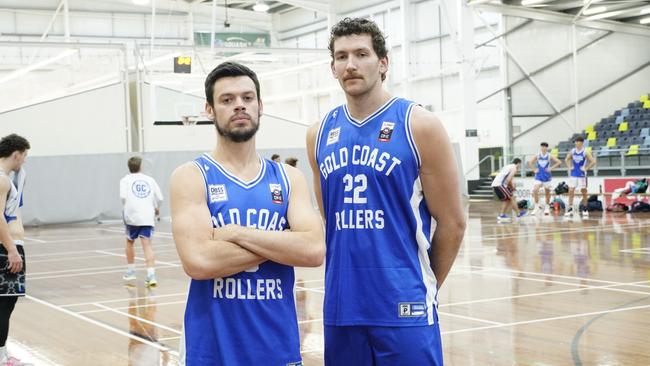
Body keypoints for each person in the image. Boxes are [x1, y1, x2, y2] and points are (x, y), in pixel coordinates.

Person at [306, 18, 465, 365]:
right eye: (341, 56)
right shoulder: (318, 134)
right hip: (341, 305)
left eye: (361, 54)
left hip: (403, 305)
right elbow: (330, 220)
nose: (350, 64)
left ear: (383, 63)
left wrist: (422, 285)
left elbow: (453, 222)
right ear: (332, 68)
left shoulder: (419, 124)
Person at [170, 61, 325, 365]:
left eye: (247, 98)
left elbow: (314, 251)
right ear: (209, 110)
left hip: (278, 348)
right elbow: (200, 261)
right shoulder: (191, 176)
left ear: (260, 105)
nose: (239, 105)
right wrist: (283, 244)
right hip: (212, 352)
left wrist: (237, 234)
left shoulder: (288, 178)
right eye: (227, 100)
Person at [0, 134, 30, 366]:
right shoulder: (2, 180)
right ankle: (1, 356)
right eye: (24, 156)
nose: (24, 162)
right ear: (16, 154)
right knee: (5, 304)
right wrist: (11, 249)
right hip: (6, 247)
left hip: (7, 245)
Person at [120, 156, 163, 287]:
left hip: (132, 217)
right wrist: (156, 208)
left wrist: (128, 208)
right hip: (147, 217)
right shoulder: (150, 180)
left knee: (129, 241)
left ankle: (131, 270)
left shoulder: (125, 180)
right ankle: (151, 275)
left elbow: (123, 197)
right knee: (147, 245)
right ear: (141, 167)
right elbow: (160, 197)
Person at [564, 136, 596, 218]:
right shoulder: (573, 151)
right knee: (571, 190)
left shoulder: (585, 152)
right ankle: (570, 208)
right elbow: (566, 159)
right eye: (576, 141)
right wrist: (569, 167)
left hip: (582, 175)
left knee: (583, 191)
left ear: (581, 143)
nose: (576, 143)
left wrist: (586, 168)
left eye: (578, 141)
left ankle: (585, 208)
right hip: (573, 174)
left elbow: (593, 161)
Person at [528, 142, 561, 215]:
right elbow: (530, 162)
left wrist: (551, 168)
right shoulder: (538, 155)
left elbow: (559, 162)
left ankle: (547, 207)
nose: (543, 148)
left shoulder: (549, 155)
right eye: (542, 146)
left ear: (547, 148)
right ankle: (536, 207)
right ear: (541, 147)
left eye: (545, 147)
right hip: (538, 176)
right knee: (535, 190)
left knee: (547, 193)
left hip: (547, 176)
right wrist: (534, 170)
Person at [491, 158, 527, 222]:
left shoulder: (508, 166)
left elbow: (507, 178)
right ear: (518, 163)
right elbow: (508, 179)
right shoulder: (514, 168)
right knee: (512, 197)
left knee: (507, 200)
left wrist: (510, 187)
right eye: (520, 164)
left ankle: (502, 215)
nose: (520, 166)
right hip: (500, 184)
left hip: (497, 184)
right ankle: (518, 214)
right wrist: (512, 187)